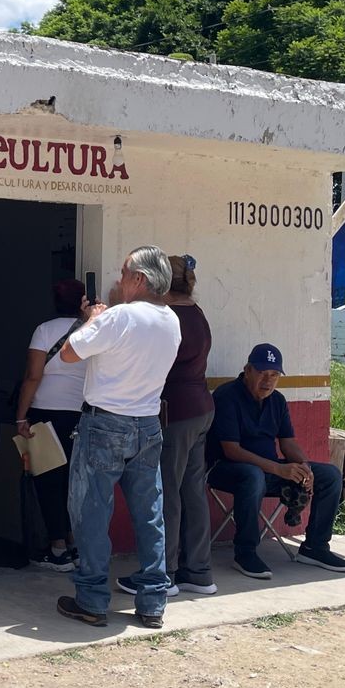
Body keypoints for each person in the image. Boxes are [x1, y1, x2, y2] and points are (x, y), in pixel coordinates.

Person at [55, 246, 181, 630]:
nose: (119, 279)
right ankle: (152, 602)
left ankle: (92, 598)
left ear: (139, 279)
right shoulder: (171, 320)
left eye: (124, 273)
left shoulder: (120, 317)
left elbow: (68, 354)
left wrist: (91, 319)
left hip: (105, 423)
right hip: (147, 423)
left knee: (91, 512)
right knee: (149, 514)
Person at [207, 344, 345, 579]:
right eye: (263, 374)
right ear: (248, 370)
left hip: (269, 468)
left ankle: (315, 547)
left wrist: (304, 465)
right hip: (226, 469)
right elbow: (231, 450)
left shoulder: (277, 400)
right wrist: (278, 468)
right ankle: (245, 552)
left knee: (330, 475)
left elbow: (288, 442)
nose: (268, 381)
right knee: (252, 476)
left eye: (274, 375)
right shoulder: (227, 396)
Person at [121, 254, 217, 598]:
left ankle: (165, 572)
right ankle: (200, 572)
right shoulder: (198, 311)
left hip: (175, 411)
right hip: (202, 407)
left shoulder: (171, 316)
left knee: (167, 493)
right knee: (193, 491)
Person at [14, 279, 87, 571]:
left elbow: (33, 376)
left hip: (45, 414)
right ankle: (75, 543)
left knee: (48, 480)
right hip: (82, 414)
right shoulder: (92, 331)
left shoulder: (44, 331)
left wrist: (20, 416)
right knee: (75, 481)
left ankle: (57, 548)